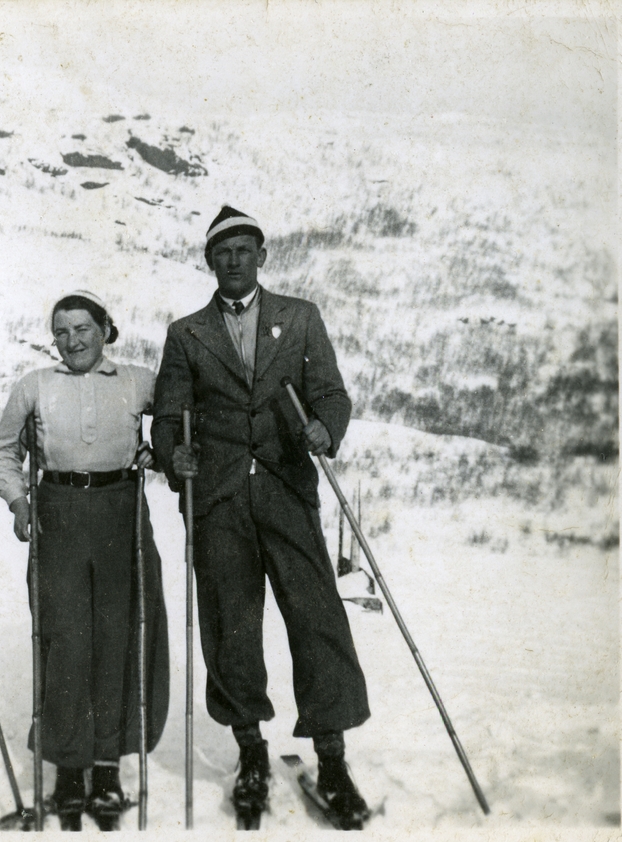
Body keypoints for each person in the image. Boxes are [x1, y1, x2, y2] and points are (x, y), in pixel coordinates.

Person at [152, 206, 372, 827]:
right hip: (219, 500)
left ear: (261, 256)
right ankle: (250, 751)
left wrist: (326, 429)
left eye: (244, 250)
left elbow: (331, 392)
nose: (233, 260)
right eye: (222, 252)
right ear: (209, 261)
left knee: (317, 617)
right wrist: (176, 454)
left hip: (286, 491)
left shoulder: (298, 319)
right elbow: (169, 418)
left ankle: (332, 756)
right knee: (230, 625)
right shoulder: (187, 333)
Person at [0, 291, 171, 832]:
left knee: (116, 636)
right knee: (66, 639)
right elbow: (2, 452)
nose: (72, 341)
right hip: (59, 512)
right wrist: (19, 500)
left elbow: (179, 420)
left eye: (83, 328)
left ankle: (108, 768)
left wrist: (157, 451)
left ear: (105, 329)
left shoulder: (137, 381)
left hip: (122, 511)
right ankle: (70, 768)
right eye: (61, 332)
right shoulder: (35, 386)